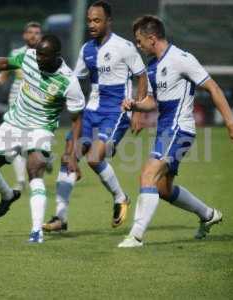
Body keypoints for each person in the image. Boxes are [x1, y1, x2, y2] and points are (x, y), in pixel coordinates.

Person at [118, 15, 233, 248]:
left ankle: (136, 236)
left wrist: (230, 122)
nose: (138, 46)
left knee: (147, 176)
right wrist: (136, 105)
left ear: (152, 38)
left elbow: (212, 87)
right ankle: (208, 215)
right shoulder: (152, 66)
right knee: (162, 188)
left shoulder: (181, 58)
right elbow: (153, 102)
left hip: (179, 129)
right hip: (166, 130)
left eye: (139, 41)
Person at [0, 34, 85, 243]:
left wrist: (73, 153)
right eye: (37, 53)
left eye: (44, 56)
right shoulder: (29, 56)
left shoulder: (68, 80)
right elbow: (2, 63)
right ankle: (8, 195)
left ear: (56, 56)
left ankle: (36, 231)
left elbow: (77, 121)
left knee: (34, 172)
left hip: (41, 129)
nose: (38, 59)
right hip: (13, 125)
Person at [43, 0, 148, 232]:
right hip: (91, 111)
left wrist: (138, 110)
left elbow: (141, 76)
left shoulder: (124, 47)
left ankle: (121, 198)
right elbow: (74, 78)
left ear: (108, 21)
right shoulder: (86, 49)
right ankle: (60, 218)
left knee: (93, 158)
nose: (91, 24)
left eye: (97, 20)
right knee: (68, 157)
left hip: (116, 111)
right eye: (89, 20)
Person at [0, 22, 42, 191]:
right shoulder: (16, 53)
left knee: (34, 144)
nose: (33, 35)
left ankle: (43, 159)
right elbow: (6, 72)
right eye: (30, 32)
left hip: (37, 104)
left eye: (37, 32)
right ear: (24, 35)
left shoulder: (45, 54)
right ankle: (20, 180)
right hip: (16, 103)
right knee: (16, 143)